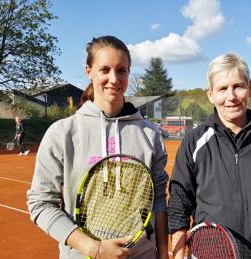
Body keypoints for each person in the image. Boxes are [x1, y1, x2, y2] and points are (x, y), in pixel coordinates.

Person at [27, 35, 169, 259]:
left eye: (121, 70)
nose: (114, 79)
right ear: (89, 71)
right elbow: (40, 204)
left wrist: (163, 255)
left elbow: (159, 199)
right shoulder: (62, 133)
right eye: (104, 70)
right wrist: (93, 248)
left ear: (128, 73)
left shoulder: (151, 134)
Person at [168, 53, 251, 259]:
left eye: (238, 86)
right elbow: (179, 207)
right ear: (210, 94)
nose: (231, 96)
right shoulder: (193, 143)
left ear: (250, 88)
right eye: (222, 88)